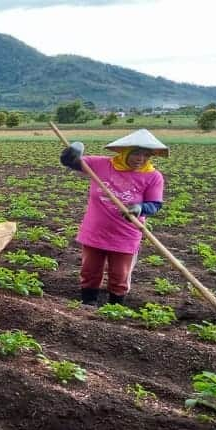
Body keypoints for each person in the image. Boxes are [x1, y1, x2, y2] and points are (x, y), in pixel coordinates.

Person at [60, 129, 167, 306]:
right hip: (95, 229)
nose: (140, 159)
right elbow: (72, 162)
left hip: (126, 233)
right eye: (136, 153)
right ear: (125, 152)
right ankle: (88, 303)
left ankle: (115, 308)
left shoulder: (153, 176)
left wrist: (140, 208)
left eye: (145, 155)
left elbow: (155, 204)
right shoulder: (101, 165)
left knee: (120, 274)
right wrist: (72, 152)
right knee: (90, 270)